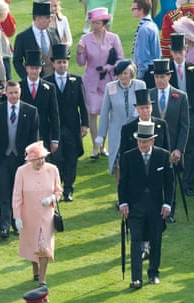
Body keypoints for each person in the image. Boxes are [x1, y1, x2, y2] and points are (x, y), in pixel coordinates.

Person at [118, 121, 173, 288]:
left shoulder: (163, 155)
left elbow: (169, 183)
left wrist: (167, 204)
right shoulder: (128, 156)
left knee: (156, 240)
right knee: (136, 241)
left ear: (152, 141)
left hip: (156, 207)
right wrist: (123, 203)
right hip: (135, 207)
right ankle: (136, 278)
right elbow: (123, 182)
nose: (142, 144)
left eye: (145, 141)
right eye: (140, 141)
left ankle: (153, 273)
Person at [0, 80, 39, 239]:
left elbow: (34, 138)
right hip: (3, 159)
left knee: (20, 194)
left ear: (20, 92)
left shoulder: (30, 111)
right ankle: (4, 227)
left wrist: (31, 159)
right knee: (4, 192)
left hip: (21, 160)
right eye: (10, 93)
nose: (13, 95)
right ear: (6, 94)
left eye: (16, 92)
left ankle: (17, 224)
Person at [13, 141, 62, 287]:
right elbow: (17, 196)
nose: (39, 162)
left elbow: (58, 191)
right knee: (31, 244)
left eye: (42, 158)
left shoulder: (53, 169)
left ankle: (42, 279)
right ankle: (35, 270)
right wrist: (17, 217)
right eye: (36, 160)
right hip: (29, 216)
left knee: (43, 247)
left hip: (46, 216)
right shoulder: (21, 171)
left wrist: (52, 198)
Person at [76, 7, 123, 159]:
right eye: (92, 23)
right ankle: (96, 147)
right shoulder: (85, 39)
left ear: (104, 23)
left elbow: (120, 60)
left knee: (106, 114)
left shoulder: (114, 38)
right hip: (90, 81)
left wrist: (108, 68)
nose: (94, 26)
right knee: (92, 114)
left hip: (108, 81)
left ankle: (103, 146)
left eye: (97, 23)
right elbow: (81, 63)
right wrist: (79, 52)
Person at [45, 44, 88, 202]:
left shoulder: (76, 80)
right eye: (59, 62)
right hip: (54, 128)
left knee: (71, 158)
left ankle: (68, 189)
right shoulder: (47, 82)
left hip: (72, 127)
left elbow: (83, 104)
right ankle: (57, 187)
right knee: (56, 159)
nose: (62, 65)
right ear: (53, 63)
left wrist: (85, 124)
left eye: (64, 62)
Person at [150, 58, 189, 223]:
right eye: (157, 77)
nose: (159, 80)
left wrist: (179, 149)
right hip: (153, 147)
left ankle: (170, 211)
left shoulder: (180, 97)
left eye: (162, 76)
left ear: (169, 76)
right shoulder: (149, 95)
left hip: (172, 148)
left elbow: (184, 126)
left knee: (170, 180)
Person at [169, 33, 194, 196]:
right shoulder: (166, 70)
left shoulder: (193, 69)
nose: (178, 56)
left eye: (181, 52)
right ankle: (173, 180)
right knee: (174, 147)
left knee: (191, 149)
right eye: (175, 52)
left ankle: (188, 185)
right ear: (171, 52)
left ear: (185, 50)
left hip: (191, 112)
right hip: (173, 115)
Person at [96, 60, 145, 181]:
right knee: (119, 165)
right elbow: (104, 112)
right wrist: (101, 135)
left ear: (131, 74)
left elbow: (146, 107)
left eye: (125, 73)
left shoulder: (140, 85)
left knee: (136, 165)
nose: (123, 76)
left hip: (136, 132)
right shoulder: (110, 87)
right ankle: (121, 197)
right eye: (120, 74)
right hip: (117, 133)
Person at [19, 50, 60, 154]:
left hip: (43, 134)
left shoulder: (50, 88)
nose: (34, 71)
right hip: (23, 134)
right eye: (31, 68)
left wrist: (55, 139)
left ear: (41, 69)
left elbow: (54, 114)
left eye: (36, 68)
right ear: (26, 68)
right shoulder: (19, 87)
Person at [13, 1, 60, 79]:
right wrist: (28, 78)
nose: (50, 20)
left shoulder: (54, 32)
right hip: (36, 84)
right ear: (38, 18)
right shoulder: (22, 37)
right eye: (48, 17)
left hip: (55, 81)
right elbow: (17, 61)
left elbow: (60, 55)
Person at [131, 0, 161, 89]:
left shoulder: (144, 29)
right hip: (153, 68)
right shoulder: (152, 25)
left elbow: (142, 54)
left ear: (141, 10)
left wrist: (140, 75)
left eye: (134, 8)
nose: (132, 10)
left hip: (146, 72)